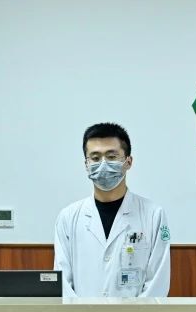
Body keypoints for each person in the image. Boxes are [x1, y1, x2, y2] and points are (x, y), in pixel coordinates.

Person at [54, 122, 170, 297]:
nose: (103, 164)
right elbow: (63, 284)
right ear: (86, 164)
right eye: (95, 158)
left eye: (111, 157)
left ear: (128, 162)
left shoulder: (153, 215)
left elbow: (157, 284)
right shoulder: (68, 217)